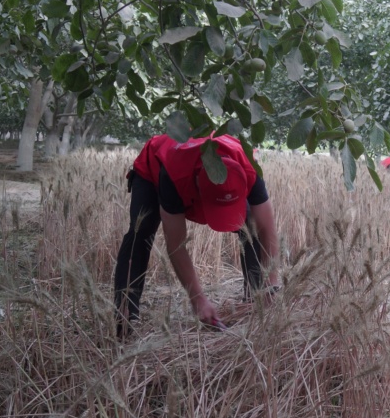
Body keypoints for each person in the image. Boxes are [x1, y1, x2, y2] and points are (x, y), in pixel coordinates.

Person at [114, 133, 280, 338]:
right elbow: (176, 245)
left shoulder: (250, 167)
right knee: (140, 233)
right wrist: (198, 300)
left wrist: (271, 284)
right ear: (198, 188)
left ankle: (256, 305)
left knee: (251, 229)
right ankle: (124, 317)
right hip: (153, 170)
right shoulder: (174, 175)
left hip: (217, 170)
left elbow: (267, 229)